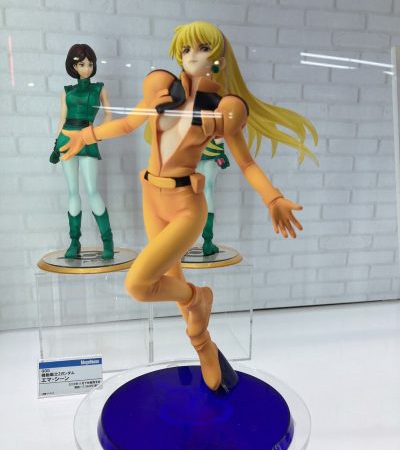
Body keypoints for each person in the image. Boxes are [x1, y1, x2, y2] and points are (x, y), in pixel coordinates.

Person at [60, 21, 318, 393]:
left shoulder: (221, 109)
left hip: (185, 206)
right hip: (151, 198)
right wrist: (86, 135)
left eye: (202, 49)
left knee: (138, 284)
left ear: (219, 58)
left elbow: (246, 162)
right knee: (174, 284)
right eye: (185, 49)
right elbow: (129, 123)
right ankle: (203, 344)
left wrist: (272, 197)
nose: (192, 56)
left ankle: (200, 299)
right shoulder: (162, 90)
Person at [50, 43, 114, 260]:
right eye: (82, 64)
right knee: (72, 191)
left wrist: (97, 134)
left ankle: (108, 241)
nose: (87, 68)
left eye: (90, 64)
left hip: (87, 138)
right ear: (73, 66)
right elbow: (62, 119)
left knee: (92, 190)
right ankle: (74, 241)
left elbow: (109, 115)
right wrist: (55, 145)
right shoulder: (66, 91)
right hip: (67, 138)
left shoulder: (99, 89)